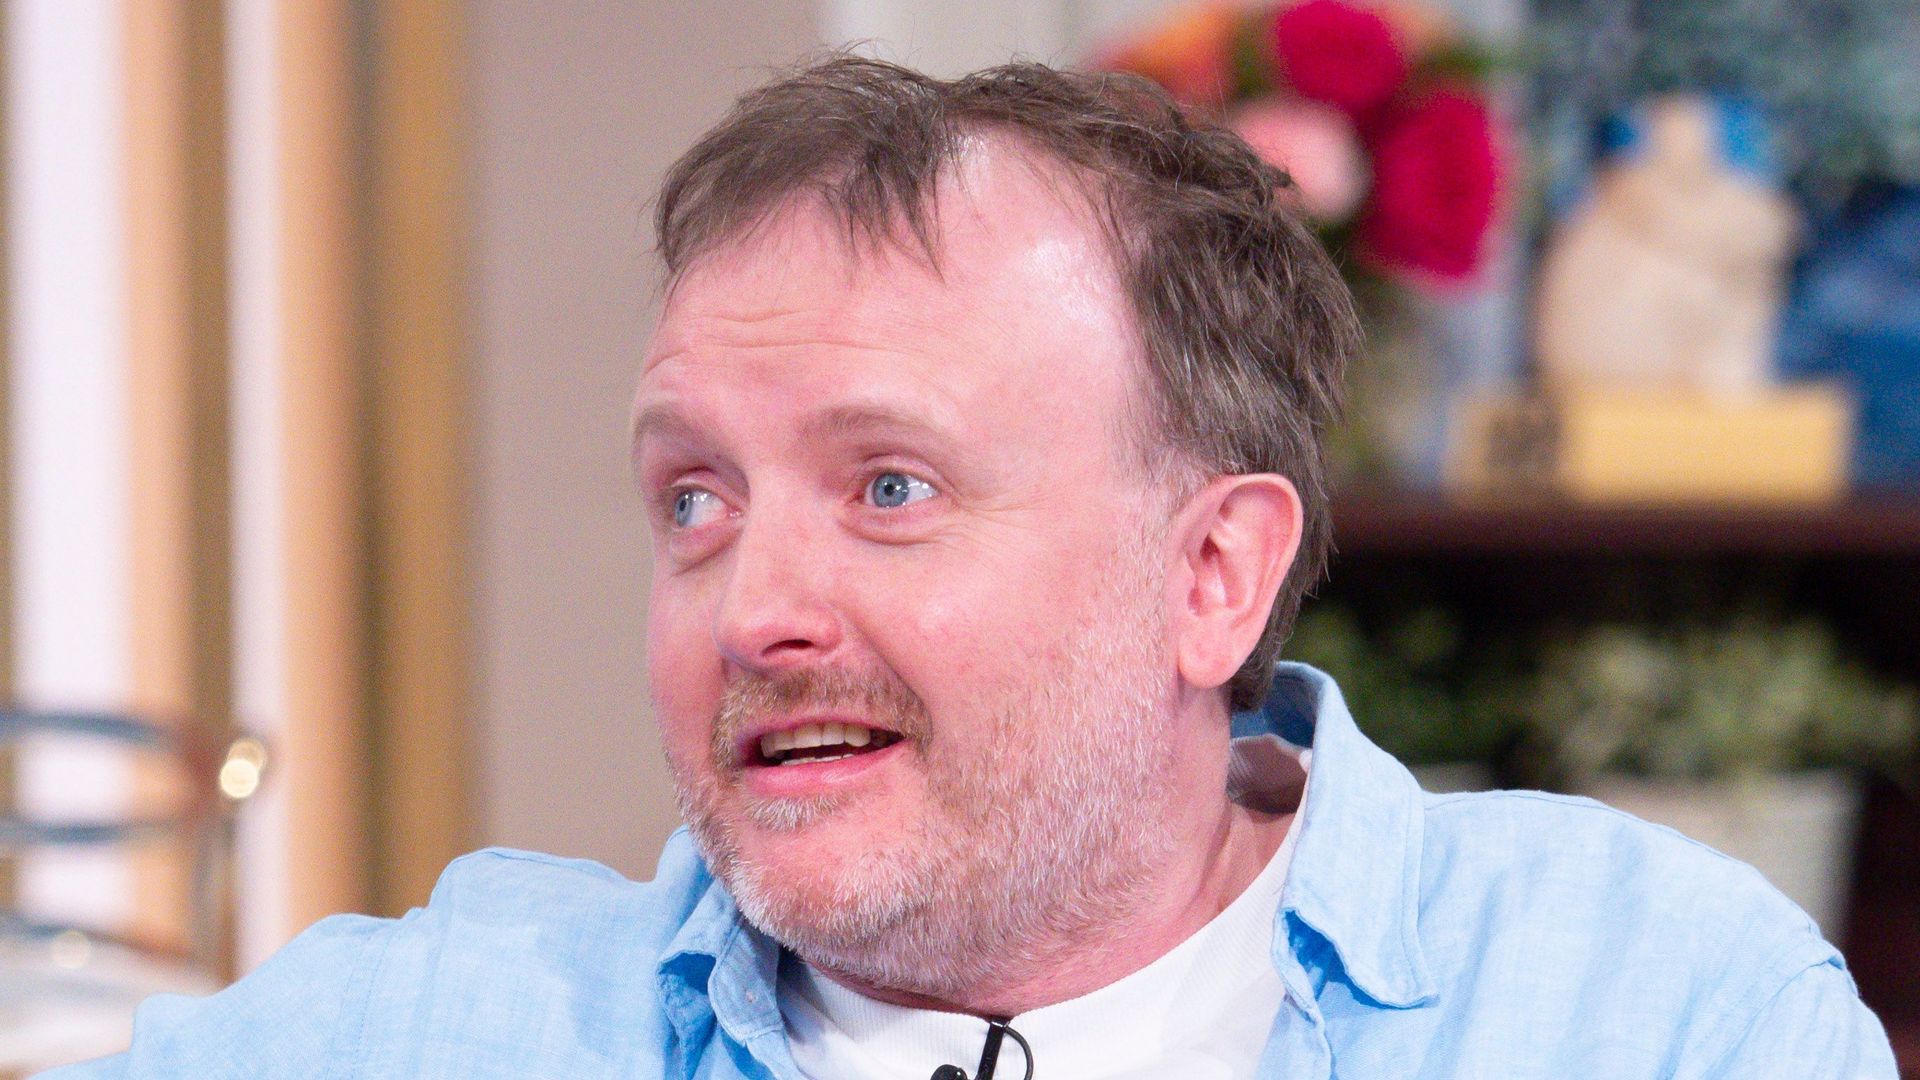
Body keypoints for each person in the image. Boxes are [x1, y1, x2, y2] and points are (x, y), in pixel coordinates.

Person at [45, 57, 1896, 1080]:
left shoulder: (1645, 1015)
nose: (751, 604)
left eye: (893, 487)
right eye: (692, 499)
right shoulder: (413, 1040)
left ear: (1213, 577)